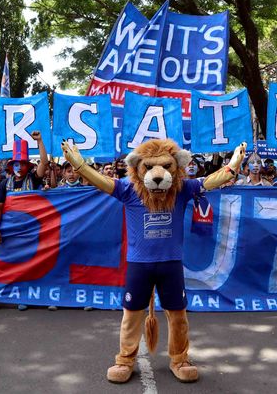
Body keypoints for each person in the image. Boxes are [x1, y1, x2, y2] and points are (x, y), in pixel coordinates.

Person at [61, 137, 246, 384]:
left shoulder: (182, 188)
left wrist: (233, 166)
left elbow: (211, 181)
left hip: (170, 264)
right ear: (138, 168)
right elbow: (102, 183)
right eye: (148, 167)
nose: (158, 174)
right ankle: (125, 359)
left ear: (176, 166)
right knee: (131, 314)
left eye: (166, 166)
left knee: (178, 315)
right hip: (139, 265)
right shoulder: (128, 189)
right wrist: (80, 166)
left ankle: (179, 359)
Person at [0, 132, 49, 312]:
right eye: (17, 163)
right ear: (11, 166)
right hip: (8, 231)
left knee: (25, 264)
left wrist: (39, 141)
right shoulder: (4, 185)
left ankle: (22, 296)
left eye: (23, 163)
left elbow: (44, 164)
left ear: (27, 165)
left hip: (28, 231)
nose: (20, 166)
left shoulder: (33, 179)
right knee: (1, 265)